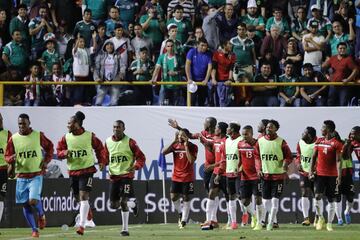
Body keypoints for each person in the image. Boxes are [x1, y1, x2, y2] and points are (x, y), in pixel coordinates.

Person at [56, 111, 105, 235]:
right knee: (77, 197)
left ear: (77, 124)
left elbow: (100, 148)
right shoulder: (65, 137)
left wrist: (102, 161)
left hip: (87, 170)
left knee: (84, 196)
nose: (67, 125)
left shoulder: (89, 136)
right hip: (73, 171)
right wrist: (64, 153)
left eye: (69, 123)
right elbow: (58, 151)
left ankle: (82, 225)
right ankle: (88, 217)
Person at [5, 113, 54, 238]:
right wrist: (12, 158)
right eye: (20, 124)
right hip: (21, 176)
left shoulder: (37, 135)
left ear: (29, 123)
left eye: (24, 124)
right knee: (25, 204)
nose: (22, 126)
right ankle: (34, 229)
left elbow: (50, 147)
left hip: (36, 174)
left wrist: (46, 160)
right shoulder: (13, 139)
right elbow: (7, 156)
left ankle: (41, 215)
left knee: (32, 200)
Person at [103, 120, 145, 236]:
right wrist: (102, 163)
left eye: (119, 127)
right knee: (113, 205)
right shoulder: (107, 142)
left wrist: (136, 166)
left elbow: (141, 157)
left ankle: (125, 229)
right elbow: (105, 157)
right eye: (114, 127)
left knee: (123, 201)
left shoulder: (130, 142)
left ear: (123, 128)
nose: (116, 129)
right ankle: (134, 204)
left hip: (126, 176)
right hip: (113, 176)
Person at [254, 119, 292, 230]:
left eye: (271, 127)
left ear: (276, 129)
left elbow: (289, 156)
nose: (268, 129)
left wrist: (285, 163)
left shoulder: (281, 142)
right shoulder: (260, 141)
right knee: (266, 201)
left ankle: (270, 223)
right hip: (265, 176)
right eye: (267, 127)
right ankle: (269, 220)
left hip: (278, 176)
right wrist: (258, 169)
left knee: (275, 201)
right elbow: (257, 156)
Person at [309, 120, 343, 232]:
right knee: (317, 196)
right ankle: (321, 218)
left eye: (323, 127)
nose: (321, 129)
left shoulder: (337, 143)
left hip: (332, 175)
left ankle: (329, 223)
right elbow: (313, 157)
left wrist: (339, 176)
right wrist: (310, 171)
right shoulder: (319, 141)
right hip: (319, 174)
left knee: (331, 199)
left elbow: (338, 160)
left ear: (328, 129)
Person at [162, 128, 198, 229]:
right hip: (176, 176)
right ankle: (181, 213)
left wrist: (186, 146)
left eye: (182, 135)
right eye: (179, 135)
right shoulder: (175, 145)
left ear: (187, 136)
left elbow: (191, 161)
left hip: (188, 177)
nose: (180, 137)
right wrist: (174, 140)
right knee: (173, 197)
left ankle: (184, 221)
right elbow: (163, 152)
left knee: (186, 198)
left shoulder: (193, 146)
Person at [200, 122, 229, 230]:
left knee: (230, 198)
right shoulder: (216, 140)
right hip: (216, 172)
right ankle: (209, 220)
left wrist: (212, 166)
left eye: (216, 127)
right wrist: (202, 140)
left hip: (226, 172)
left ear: (220, 130)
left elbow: (224, 160)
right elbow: (210, 146)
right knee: (211, 194)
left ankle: (232, 220)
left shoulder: (227, 142)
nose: (215, 129)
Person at [238, 125, 263, 230]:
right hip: (245, 176)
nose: (244, 136)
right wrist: (238, 168)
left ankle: (260, 222)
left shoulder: (259, 144)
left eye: (246, 134)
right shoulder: (240, 144)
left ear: (252, 134)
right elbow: (240, 159)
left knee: (258, 199)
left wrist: (260, 170)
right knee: (244, 201)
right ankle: (254, 216)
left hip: (256, 176)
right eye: (243, 134)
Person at [218, 122, 242, 230]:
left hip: (240, 174)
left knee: (242, 198)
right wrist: (219, 173)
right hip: (229, 173)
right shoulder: (226, 141)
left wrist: (241, 168)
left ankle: (254, 216)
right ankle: (234, 223)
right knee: (231, 197)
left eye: (228, 128)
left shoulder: (241, 140)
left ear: (232, 129)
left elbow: (244, 157)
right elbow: (224, 159)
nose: (226, 129)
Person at [322, 42, 358, 106]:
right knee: (330, 103)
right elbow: (323, 67)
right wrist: (327, 76)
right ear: (337, 49)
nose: (342, 50)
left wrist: (348, 79)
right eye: (340, 48)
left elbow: (355, 70)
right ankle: (330, 116)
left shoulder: (348, 59)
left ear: (346, 49)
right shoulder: (333, 58)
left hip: (343, 86)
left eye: (344, 48)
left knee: (343, 103)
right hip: (333, 85)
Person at [295, 126, 317, 226]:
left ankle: (318, 217)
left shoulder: (318, 144)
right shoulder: (300, 142)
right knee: (304, 192)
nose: (302, 134)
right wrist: (298, 163)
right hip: (303, 172)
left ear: (309, 135)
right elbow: (298, 154)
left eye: (304, 132)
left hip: (316, 173)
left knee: (317, 195)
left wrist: (315, 170)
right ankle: (306, 218)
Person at [151, 39, 183, 106]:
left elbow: (183, 70)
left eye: (171, 46)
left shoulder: (178, 57)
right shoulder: (161, 57)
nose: (170, 48)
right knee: (161, 104)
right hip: (164, 84)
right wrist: (153, 79)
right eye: (168, 46)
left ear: (174, 47)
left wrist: (176, 73)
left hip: (176, 85)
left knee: (176, 106)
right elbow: (157, 69)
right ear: (165, 47)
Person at [93, 40, 123, 106]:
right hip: (103, 81)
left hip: (114, 81)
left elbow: (122, 67)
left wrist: (120, 76)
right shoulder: (100, 55)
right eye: (108, 44)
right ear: (105, 46)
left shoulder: (117, 55)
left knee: (114, 102)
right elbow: (96, 68)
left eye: (111, 44)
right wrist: (97, 78)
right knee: (98, 102)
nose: (109, 46)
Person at [341, 126, 360, 224]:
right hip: (346, 173)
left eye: (354, 133)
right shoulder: (353, 143)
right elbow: (345, 156)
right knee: (350, 195)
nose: (352, 135)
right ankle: (347, 212)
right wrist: (346, 145)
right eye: (351, 133)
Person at [185, 38, 212, 106]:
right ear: (197, 45)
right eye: (202, 45)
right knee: (191, 102)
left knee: (202, 102)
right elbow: (187, 65)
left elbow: (210, 67)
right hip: (193, 82)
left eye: (205, 46)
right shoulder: (192, 51)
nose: (204, 47)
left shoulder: (208, 54)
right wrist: (189, 78)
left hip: (202, 82)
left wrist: (206, 79)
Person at [211, 40, 236, 107]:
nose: (231, 45)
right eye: (229, 44)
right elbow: (214, 68)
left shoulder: (233, 55)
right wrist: (213, 79)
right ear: (224, 46)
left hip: (228, 81)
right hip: (218, 81)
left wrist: (230, 80)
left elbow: (231, 69)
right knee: (218, 101)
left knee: (228, 100)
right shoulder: (216, 54)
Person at [0, 113, 11, 226]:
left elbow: (12, 151)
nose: (1, 121)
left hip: (2, 170)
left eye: (1, 119)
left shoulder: (7, 134)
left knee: (1, 197)